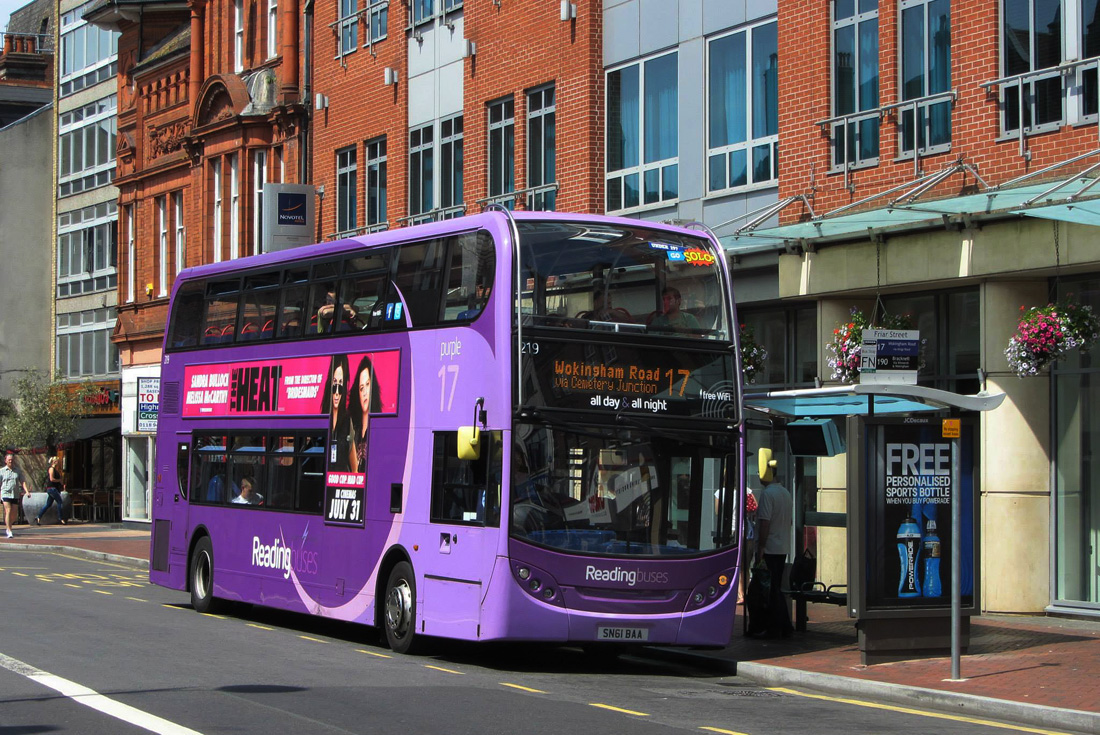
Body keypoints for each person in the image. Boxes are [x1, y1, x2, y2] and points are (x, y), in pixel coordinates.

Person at [753, 447, 794, 639]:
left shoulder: (768, 494)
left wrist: (760, 547)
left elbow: (765, 523)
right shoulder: (785, 492)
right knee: (775, 586)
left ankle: (774, 626)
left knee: (766, 589)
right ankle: (784, 626)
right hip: (782, 546)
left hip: (769, 548)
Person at [348, 354, 382, 474]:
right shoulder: (352, 427)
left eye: (368, 385)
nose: (364, 392)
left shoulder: (379, 427)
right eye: (361, 388)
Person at [323, 354, 353, 473]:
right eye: (334, 384)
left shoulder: (347, 421)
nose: (336, 393)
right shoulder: (322, 417)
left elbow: (355, 468)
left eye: (340, 386)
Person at [1, 453, 30, 538]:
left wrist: (27, 491)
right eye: (9, 459)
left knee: (14, 514)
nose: (11, 461)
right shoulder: (2, 471)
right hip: (5, 493)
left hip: (15, 494)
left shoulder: (17, 470)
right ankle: (9, 530)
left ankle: (9, 525)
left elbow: (22, 481)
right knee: (8, 510)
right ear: (5, 461)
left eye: (12, 459)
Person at [35, 456, 67, 525]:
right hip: (52, 488)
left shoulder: (56, 469)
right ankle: (61, 518)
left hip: (53, 488)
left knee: (48, 504)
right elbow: (52, 479)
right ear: (54, 462)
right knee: (59, 502)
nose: (58, 462)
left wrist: (61, 483)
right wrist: (59, 480)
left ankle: (38, 517)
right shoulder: (51, 469)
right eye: (57, 461)